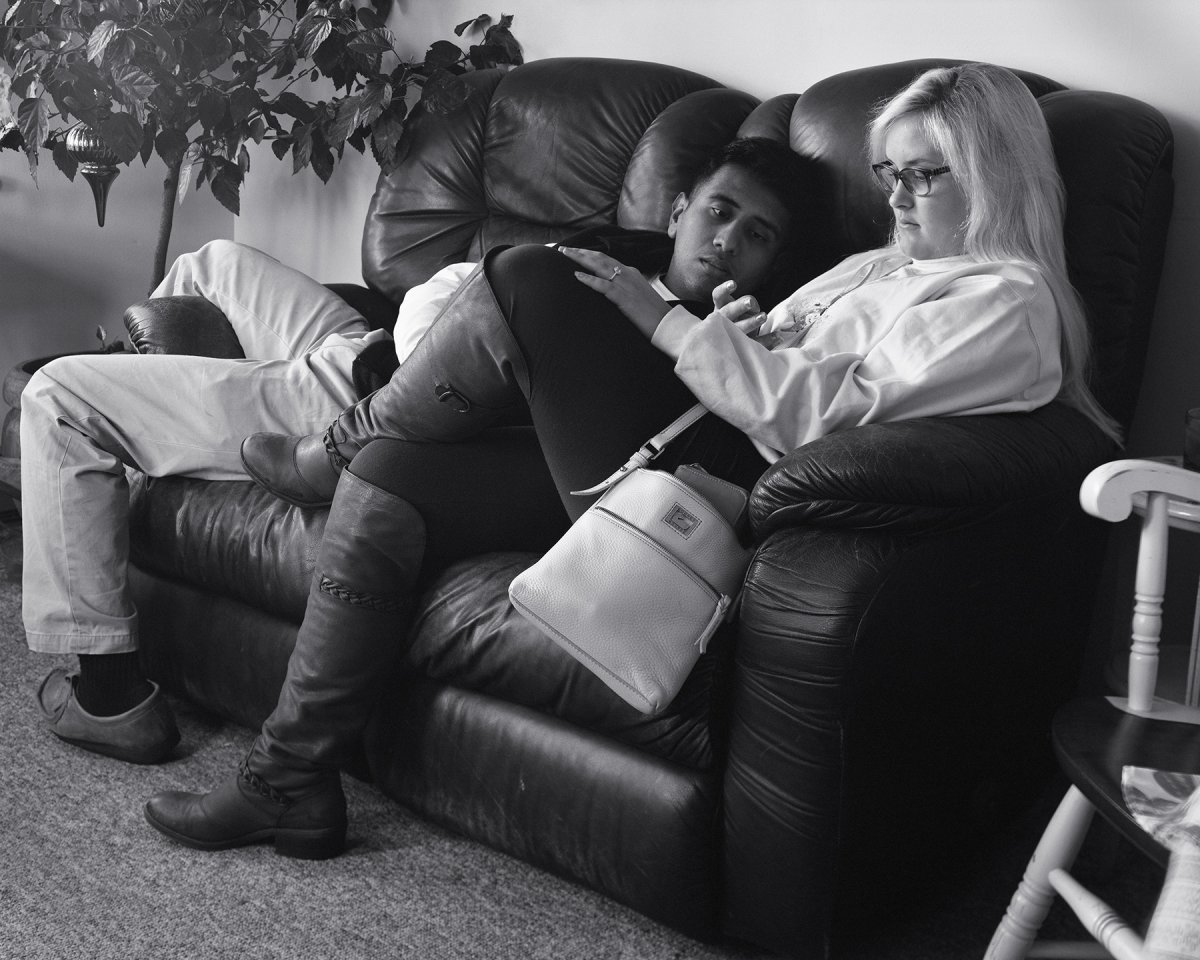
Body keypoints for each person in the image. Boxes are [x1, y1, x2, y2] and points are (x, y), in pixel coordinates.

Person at [132, 61, 1122, 860]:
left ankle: (328, 448)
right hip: (685, 435)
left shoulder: (1005, 301)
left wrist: (670, 325)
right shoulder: (882, 265)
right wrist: (741, 329)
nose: (895, 194)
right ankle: (289, 781)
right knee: (397, 476)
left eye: (923, 175)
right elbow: (789, 359)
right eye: (887, 172)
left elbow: (821, 417)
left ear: (993, 173)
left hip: (716, 488)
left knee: (530, 277)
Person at [21, 136, 810, 767]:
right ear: (678, 210)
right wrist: (433, 346)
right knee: (211, 263)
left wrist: (704, 345)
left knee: (56, 397)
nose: (727, 240)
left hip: (341, 404)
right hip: (372, 344)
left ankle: (108, 693)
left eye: (757, 234)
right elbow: (457, 291)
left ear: (775, 263)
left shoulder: (724, 352)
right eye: (720, 211)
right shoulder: (608, 257)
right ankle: (162, 428)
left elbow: (551, 402)